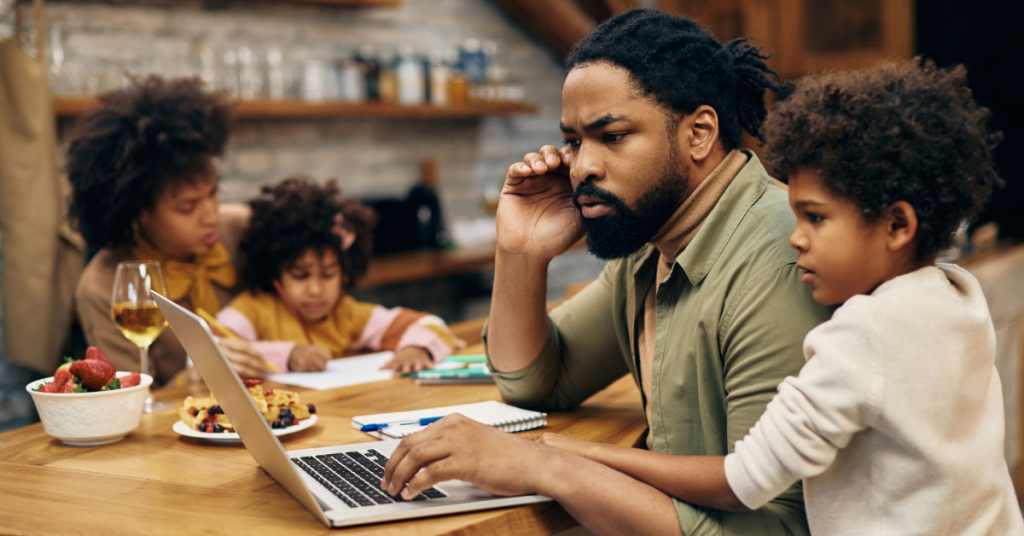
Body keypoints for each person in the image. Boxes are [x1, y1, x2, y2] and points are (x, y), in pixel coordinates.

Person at [383, 9, 831, 535]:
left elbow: (776, 528)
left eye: (611, 136)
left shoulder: (782, 255)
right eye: (573, 141)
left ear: (700, 133)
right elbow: (536, 381)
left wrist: (546, 464)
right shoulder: (655, 236)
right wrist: (522, 251)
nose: (580, 166)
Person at [69, 76, 268, 385]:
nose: (211, 216)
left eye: (214, 193)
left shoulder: (240, 229)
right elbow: (130, 400)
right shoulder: (103, 286)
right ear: (140, 211)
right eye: (187, 207)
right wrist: (190, 379)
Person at [215, 177, 463, 374]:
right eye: (300, 275)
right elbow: (211, 349)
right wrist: (288, 355)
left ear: (345, 274)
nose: (314, 289)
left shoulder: (345, 313)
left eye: (328, 275)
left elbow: (429, 323)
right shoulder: (254, 308)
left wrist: (416, 349)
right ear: (275, 273)